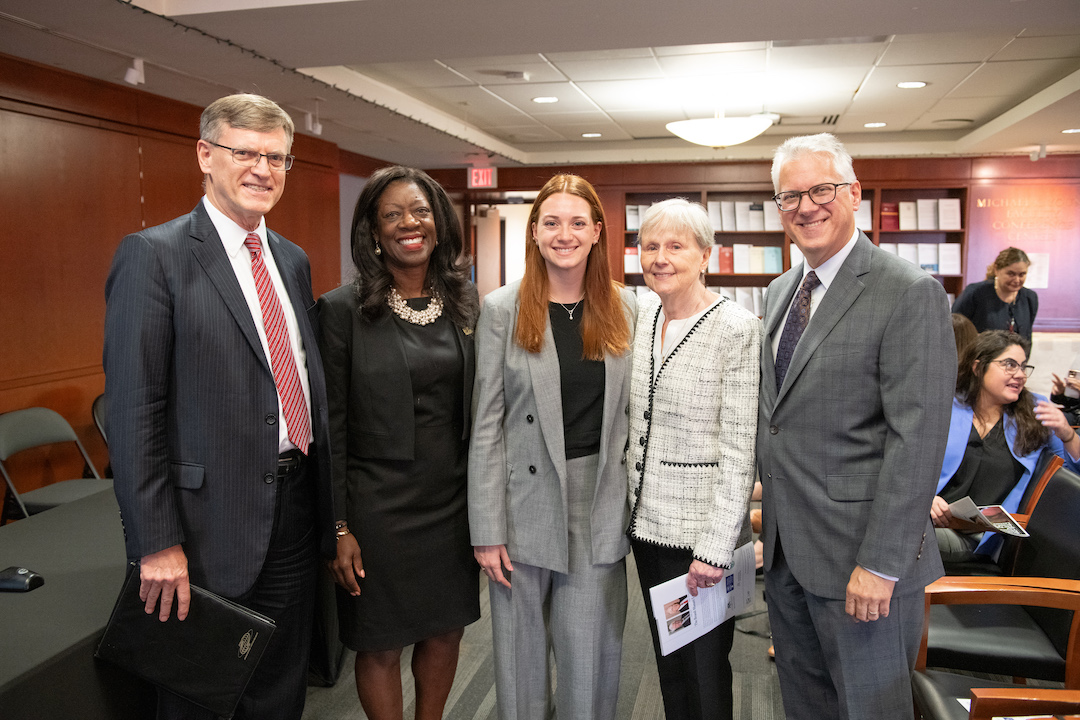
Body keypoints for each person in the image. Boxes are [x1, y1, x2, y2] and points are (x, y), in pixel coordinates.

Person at [103, 93, 333, 720]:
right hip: (204, 529)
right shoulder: (154, 255)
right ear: (205, 155)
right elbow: (134, 414)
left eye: (277, 158)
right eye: (246, 153)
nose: (263, 169)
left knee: (281, 687)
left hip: (294, 510)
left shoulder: (291, 259)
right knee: (201, 699)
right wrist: (155, 543)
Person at [757, 133, 956, 720]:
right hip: (789, 550)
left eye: (821, 189)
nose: (806, 207)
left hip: (863, 563)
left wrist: (881, 564)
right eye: (789, 196)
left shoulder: (909, 292)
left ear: (854, 193)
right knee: (806, 703)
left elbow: (917, 441)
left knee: (870, 709)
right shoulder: (778, 292)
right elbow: (781, 420)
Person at [468, 173, 635, 720]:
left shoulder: (628, 308)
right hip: (522, 500)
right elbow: (487, 425)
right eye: (552, 222)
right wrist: (486, 529)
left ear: (597, 233)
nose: (565, 233)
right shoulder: (502, 308)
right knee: (519, 662)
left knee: (589, 657)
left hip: (597, 498)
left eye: (577, 223)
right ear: (535, 233)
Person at [317, 166, 480, 720]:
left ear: (439, 222)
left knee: (445, 632)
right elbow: (330, 427)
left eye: (420, 211)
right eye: (392, 215)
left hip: (451, 502)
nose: (409, 224)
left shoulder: (464, 303)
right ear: (372, 230)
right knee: (379, 643)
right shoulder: (342, 310)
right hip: (377, 510)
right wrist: (338, 526)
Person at [625, 198, 760, 720]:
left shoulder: (736, 328)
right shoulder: (642, 315)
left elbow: (738, 448)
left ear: (706, 256)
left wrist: (715, 547)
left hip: (700, 543)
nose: (660, 257)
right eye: (650, 246)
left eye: (676, 246)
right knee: (669, 662)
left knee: (705, 670)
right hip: (648, 528)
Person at [931, 331, 1080, 561]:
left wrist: (1067, 434)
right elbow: (911, 462)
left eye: (1023, 367)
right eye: (1009, 365)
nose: (1020, 375)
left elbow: (1071, 478)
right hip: (928, 518)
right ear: (978, 367)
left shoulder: (1034, 412)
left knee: (902, 534)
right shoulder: (949, 405)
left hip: (978, 537)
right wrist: (926, 497)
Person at [952, 247, 1038, 341]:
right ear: (997, 269)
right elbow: (956, 328)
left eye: (1022, 274)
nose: (1017, 280)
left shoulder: (1030, 297)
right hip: (981, 354)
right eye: (1011, 274)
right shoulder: (975, 292)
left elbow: (1027, 336)